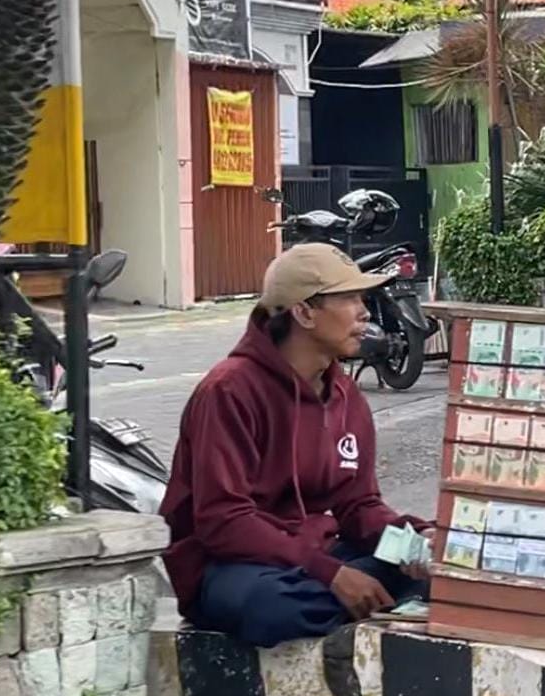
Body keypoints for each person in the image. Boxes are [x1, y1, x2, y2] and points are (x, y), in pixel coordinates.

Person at [160, 243, 430, 648]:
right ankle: (371, 604)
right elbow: (224, 521)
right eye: (349, 298)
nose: (365, 312)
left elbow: (358, 506)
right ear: (304, 312)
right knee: (274, 606)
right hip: (232, 568)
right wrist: (329, 573)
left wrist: (418, 539)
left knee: (439, 575)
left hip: (315, 559)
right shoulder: (229, 391)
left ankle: (374, 598)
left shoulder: (345, 395)